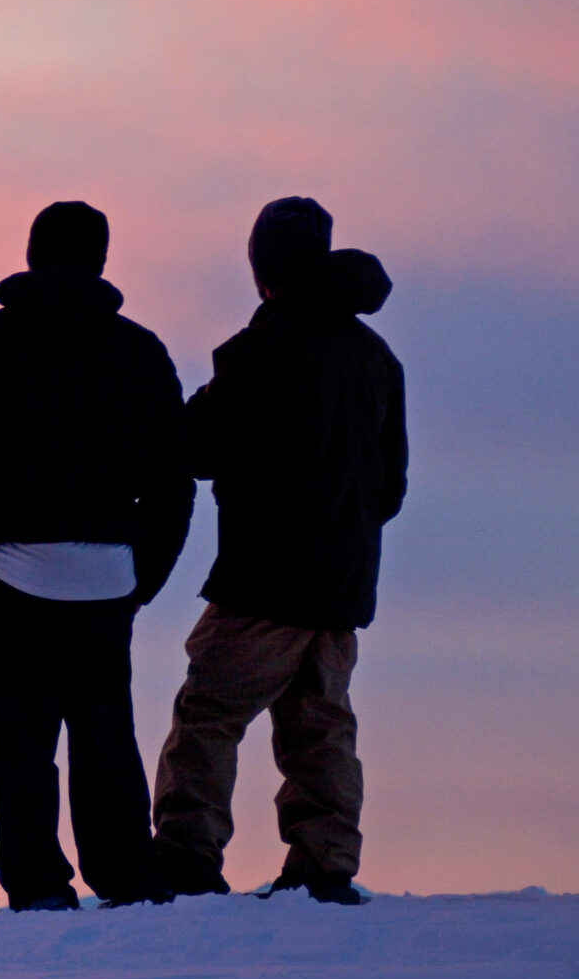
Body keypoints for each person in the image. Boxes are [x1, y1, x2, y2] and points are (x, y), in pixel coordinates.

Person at [0, 201, 194, 911]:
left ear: (31, 253)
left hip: (16, 568)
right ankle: (126, 875)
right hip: (109, 573)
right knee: (106, 730)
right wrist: (143, 576)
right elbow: (176, 480)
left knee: (21, 739)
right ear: (102, 260)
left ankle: (42, 883)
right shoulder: (140, 350)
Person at [151, 197, 407, 906]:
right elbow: (391, 487)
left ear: (263, 269)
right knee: (320, 725)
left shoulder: (260, 351)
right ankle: (325, 862)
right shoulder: (376, 359)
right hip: (342, 586)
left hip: (262, 579)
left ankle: (186, 855)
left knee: (207, 713)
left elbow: (193, 445)